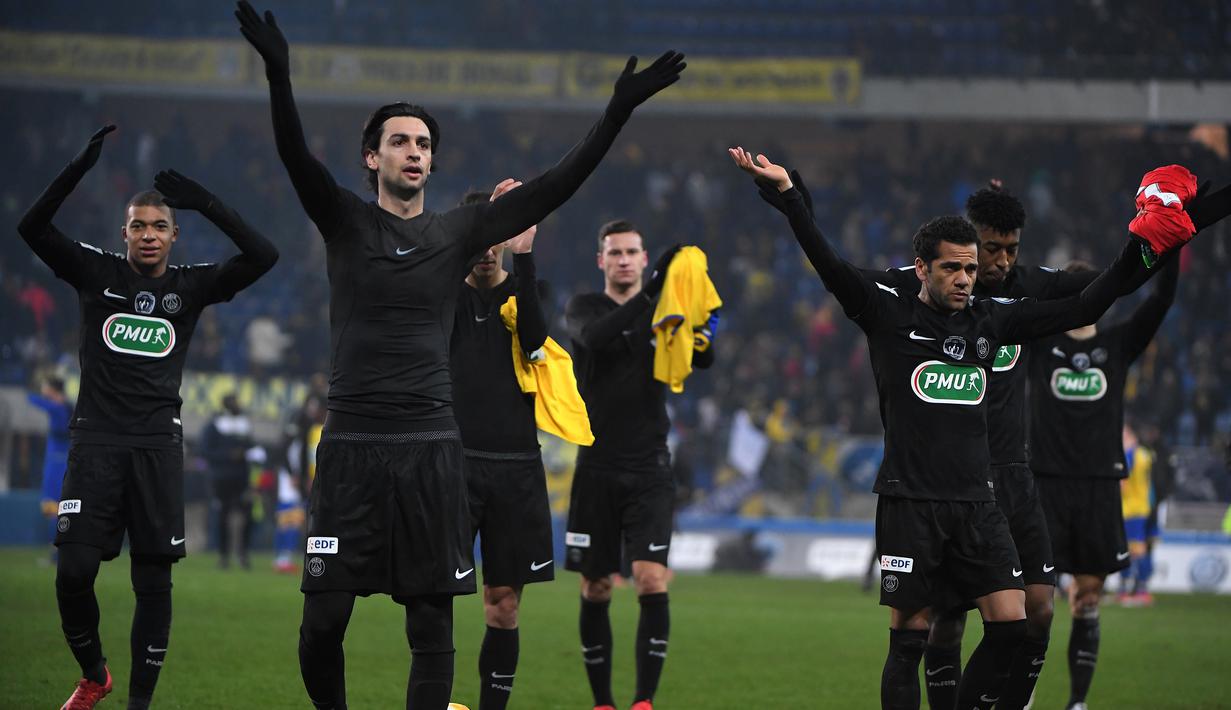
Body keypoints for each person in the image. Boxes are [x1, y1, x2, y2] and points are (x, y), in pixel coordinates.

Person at [235, 3, 685, 707]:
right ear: (372, 156)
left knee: (431, 624)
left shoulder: (458, 231)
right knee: (322, 621)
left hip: (430, 450)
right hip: (352, 442)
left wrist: (617, 110)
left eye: (423, 143)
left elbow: (556, 185)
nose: (415, 151)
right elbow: (295, 156)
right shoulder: (345, 221)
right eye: (400, 141)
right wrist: (279, 72)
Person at [728, 147, 1186, 710]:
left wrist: (1150, 247)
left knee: (1014, 624)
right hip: (911, 502)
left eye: (972, 268)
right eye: (953, 267)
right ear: (922, 268)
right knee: (909, 641)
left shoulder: (995, 322)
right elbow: (828, 263)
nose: (968, 278)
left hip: (979, 503)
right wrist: (791, 199)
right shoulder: (885, 313)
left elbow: (1093, 297)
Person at [18, 125, 278, 710]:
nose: (149, 235)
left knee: (153, 583)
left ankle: (138, 704)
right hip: (96, 442)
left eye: (160, 226)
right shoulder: (97, 273)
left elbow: (264, 255)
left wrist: (207, 201)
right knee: (73, 574)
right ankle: (94, 674)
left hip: (158, 446)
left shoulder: (191, 287)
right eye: (139, 225)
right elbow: (31, 228)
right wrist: (77, 169)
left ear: (175, 234)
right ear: (124, 232)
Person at [564, 220, 715, 710]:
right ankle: (603, 701)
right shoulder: (584, 309)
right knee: (597, 583)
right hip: (597, 465)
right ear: (601, 261)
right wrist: (654, 291)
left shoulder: (662, 315)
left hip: (649, 465)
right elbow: (598, 338)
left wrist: (701, 326)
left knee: (650, 576)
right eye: (615, 252)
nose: (624, 260)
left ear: (645, 257)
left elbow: (703, 354)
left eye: (632, 252)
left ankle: (643, 701)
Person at [1027, 256, 1178, 710]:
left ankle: (1077, 702)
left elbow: (1161, 298)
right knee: (1036, 603)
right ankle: (1023, 695)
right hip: (1044, 485)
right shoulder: (1038, 339)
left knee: (1087, 598)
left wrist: (1171, 246)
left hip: (1097, 486)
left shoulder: (1117, 344)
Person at [450, 188, 552, 710]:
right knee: (435, 597)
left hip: (515, 468)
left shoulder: (526, 290)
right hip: (452, 467)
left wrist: (527, 254)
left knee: (504, 605)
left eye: (498, 237)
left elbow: (535, 342)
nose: (488, 247)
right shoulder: (442, 295)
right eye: (478, 235)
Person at [200, 393, 256, 570]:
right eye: (234, 402)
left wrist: (253, 454)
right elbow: (205, 451)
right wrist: (229, 456)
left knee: (247, 518)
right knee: (222, 517)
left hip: (242, 479)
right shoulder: (214, 425)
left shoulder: (244, 424)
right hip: (221, 478)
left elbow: (252, 447)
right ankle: (223, 555)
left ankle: (243, 554)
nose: (238, 405)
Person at [29, 375, 73, 558]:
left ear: (53, 389)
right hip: (62, 460)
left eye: (46, 386)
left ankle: (56, 555)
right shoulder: (67, 406)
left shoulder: (57, 407)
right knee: (59, 508)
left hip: (56, 463)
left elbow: (32, 399)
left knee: (54, 508)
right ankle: (59, 553)